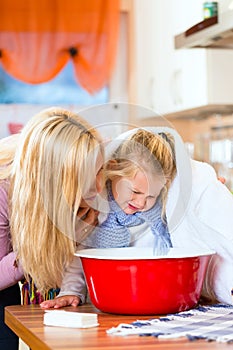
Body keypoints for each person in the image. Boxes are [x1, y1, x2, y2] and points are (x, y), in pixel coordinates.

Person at [41, 126, 233, 310]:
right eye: (135, 191)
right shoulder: (97, 210)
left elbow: (192, 210)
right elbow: (80, 258)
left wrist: (202, 189)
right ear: (114, 172)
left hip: (154, 298)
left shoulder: (161, 213)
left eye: (151, 196)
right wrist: (70, 291)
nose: (141, 203)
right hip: (107, 301)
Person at [0, 107, 104, 349]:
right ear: (56, 180)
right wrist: (50, 240)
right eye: (88, 176)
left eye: (100, 170)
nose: (100, 187)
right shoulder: (4, 188)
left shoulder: (87, 172)